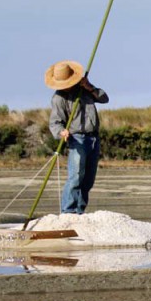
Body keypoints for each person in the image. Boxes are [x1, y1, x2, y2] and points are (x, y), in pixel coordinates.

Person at [46, 60, 109, 214]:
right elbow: (55, 122)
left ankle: (80, 211)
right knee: (76, 177)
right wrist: (61, 132)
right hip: (77, 139)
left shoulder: (84, 88)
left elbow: (104, 98)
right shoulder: (58, 98)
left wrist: (90, 87)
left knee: (88, 179)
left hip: (93, 138)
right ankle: (68, 211)